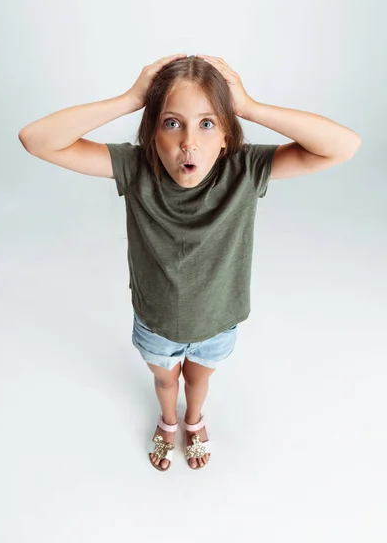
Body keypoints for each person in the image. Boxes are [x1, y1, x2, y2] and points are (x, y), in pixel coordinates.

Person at [18, 53, 361, 472]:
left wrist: (250, 106)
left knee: (199, 379)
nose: (188, 142)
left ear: (226, 137)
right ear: (151, 133)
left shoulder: (245, 168)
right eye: (171, 122)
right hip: (156, 320)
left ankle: (194, 419)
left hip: (219, 319)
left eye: (207, 123)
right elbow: (36, 139)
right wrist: (130, 99)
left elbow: (344, 146)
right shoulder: (136, 166)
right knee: (165, 380)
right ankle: (168, 419)